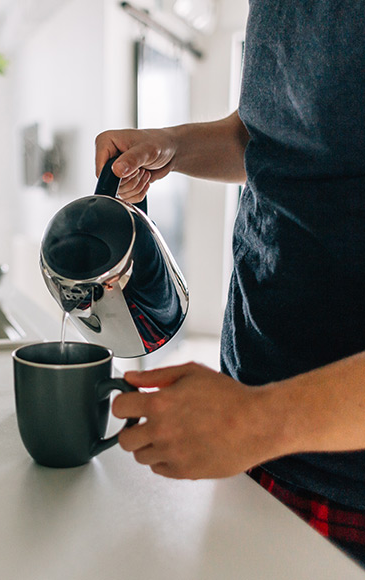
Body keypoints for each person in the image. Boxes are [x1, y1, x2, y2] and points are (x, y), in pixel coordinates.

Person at [94, 0, 365, 566]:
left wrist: (260, 419)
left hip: (344, 475)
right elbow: (265, 136)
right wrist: (174, 144)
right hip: (254, 419)